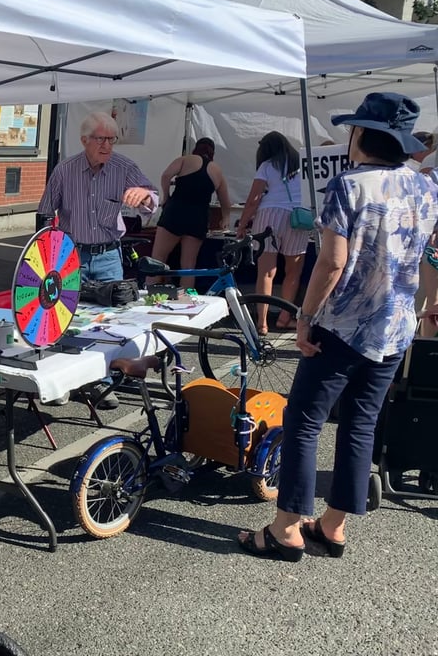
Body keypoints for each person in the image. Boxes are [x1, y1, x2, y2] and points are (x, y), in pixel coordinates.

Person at [237, 92, 438, 562]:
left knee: (304, 420)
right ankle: (333, 525)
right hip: (394, 327)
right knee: (360, 424)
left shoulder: (351, 184)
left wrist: (305, 318)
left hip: (343, 325)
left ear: (363, 134)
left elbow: (331, 262)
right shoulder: (426, 186)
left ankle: (286, 528)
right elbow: (428, 250)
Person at [37, 111, 158, 408]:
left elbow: (153, 199)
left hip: (107, 256)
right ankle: (62, 380)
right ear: (84, 140)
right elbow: (44, 213)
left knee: (109, 322)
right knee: (64, 318)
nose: (107, 145)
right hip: (70, 256)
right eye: (100, 139)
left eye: (111, 139)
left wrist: (144, 194)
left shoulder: (123, 167)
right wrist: (42, 259)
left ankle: (101, 383)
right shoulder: (65, 170)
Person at [236, 131, 308, 334]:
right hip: (297, 218)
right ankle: (285, 317)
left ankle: (262, 322)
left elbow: (254, 198)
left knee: (266, 272)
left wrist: (242, 224)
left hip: (269, 216)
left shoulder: (267, 166)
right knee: (293, 271)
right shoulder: (302, 164)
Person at [149, 137, 231, 289]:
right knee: (188, 265)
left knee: (158, 258)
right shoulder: (217, 170)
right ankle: (187, 302)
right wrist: (225, 218)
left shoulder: (185, 159)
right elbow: (225, 201)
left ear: (196, 148)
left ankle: (150, 294)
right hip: (198, 218)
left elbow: (166, 175)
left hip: (175, 213)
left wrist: (166, 195)